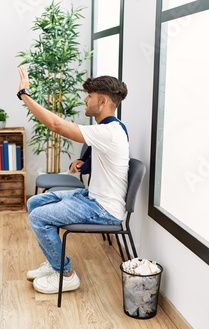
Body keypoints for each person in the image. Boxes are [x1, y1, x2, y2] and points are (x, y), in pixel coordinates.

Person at [17, 67, 130, 294]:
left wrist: (24, 95)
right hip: (93, 197)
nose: (85, 100)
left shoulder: (109, 131)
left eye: (90, 96)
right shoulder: (109, 128)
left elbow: (56, 125)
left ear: (104, 100)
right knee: (34, 203)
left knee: (38, 217)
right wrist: (82, 161)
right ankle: (55, 260)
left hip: (103, 209)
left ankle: (66, 274)